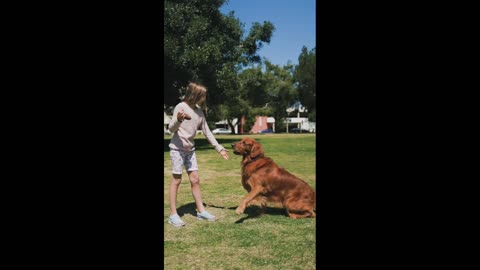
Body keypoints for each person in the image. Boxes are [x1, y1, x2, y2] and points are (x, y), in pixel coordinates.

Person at [167, 82, 229, 227]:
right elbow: (171, 129)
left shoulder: (199, 112)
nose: (204, 98)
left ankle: (201, 211)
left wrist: (219, 148)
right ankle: (173, 215)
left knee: (195, 179)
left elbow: (207, 132)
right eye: (203, 95)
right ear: (195, 95)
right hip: (177, 149)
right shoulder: (180, 107)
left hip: (190, 151)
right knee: (177, 180)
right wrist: (179, 120)